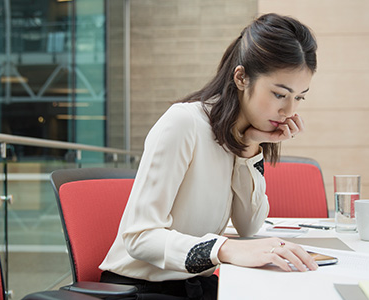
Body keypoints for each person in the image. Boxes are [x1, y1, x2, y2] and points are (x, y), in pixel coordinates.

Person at [99, 13, 319, 299]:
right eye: (280, 94)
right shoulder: (184, 123)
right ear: (241, 77)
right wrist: (223, 248)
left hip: (192, 288)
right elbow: (139, 237)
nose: (289, 111)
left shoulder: (239, 139)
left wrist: (250, 147)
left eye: (299, 97)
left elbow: (249, 226)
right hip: (138, 288)